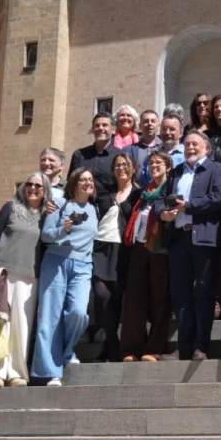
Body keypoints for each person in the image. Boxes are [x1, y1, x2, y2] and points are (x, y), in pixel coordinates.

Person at [0, 172, 51, 387]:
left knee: (22, 325)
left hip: (30, 274)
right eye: (30, 184)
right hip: (3, 270)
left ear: (45, 191)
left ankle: (17, 372)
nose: (33, 188)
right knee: (0, 322)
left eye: (39, 186)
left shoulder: (47, 215)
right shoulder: (10, 207)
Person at [165, 130, 221, 361]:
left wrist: (189, 206)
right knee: (180, 295)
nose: (190, 148)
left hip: (204, 239)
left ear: (207, 148)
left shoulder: (216, 169)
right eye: (187, 144)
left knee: (203, 293)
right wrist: (164, 213)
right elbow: (164, 199)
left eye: (195, 144)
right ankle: (183, 346)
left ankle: (201, 345)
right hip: (179, 239)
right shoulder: (176, 172)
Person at [33, 167, 97, 386]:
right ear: (74, 183)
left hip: (82, 266)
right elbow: (47, 235)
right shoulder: (59, 204)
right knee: (49, 318)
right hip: (56, 262)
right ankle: (51, 371)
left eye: (90, 179)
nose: (87, 183)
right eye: (82, 179)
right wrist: (64, 230)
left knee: (79, 313)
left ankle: (66, 351)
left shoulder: (94, 208)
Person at [119, 152, 175, 361]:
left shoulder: (171, 189)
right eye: (151, 163)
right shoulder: (144, 193)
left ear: (168, 167)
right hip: (140, 247)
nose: (154, 166)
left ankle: (154, 348)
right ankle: (131, 348)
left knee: (160, 299)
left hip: (161, 250)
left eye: (159, 163)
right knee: (135, 298)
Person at [89, 152, 141, 362]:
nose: (121, 168)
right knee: (102, 296)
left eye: (126, 164)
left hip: (124, 250)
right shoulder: (104, 195)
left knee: (117, 299)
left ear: (133, 169)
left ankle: (111, 346)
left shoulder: (139, 194)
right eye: (118, 165)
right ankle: (111, 342)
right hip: (101, 248)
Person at [70, 112, 122, 195]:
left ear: (113, 130)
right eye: (97, 125)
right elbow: (71, 184)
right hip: (82, 205)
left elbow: (125, 186)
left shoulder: (120, 156)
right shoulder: (79, 155)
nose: (100, 128)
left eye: (104, 125)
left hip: (109, 205)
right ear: (93, 129)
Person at [126, 110, 162, 187]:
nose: (149, 124)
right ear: (140, 125)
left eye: (153, 121)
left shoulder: (164, 148)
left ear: (158, 125)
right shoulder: (129, 150)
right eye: (146, 121)